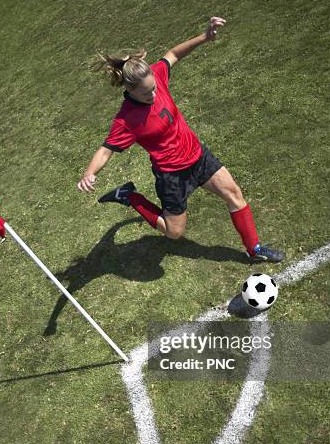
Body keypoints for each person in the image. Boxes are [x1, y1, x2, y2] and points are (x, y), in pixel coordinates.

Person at [77, 16, 285, 263]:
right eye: (146, 93)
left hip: (198, 156)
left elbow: (173, 54)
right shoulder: (126, 120)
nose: (154, 94)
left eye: (154, 87)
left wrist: (205, 37)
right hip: (172, 175)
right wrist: (90, 173)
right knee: (174, 232)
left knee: (234, 194)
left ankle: (255, 249)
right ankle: (129, 195)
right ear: (130, 90)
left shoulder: (156, 75)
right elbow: (105, 150)